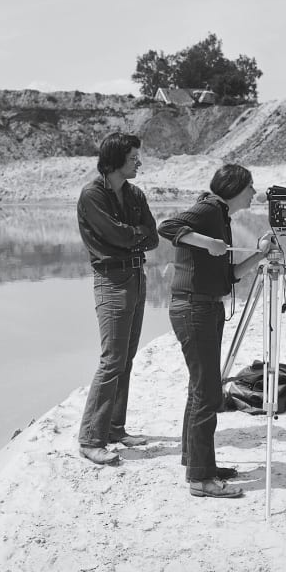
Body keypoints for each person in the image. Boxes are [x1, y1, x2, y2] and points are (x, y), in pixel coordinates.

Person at [158, 164, 273, 498]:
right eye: (250, 187)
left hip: (203, 306)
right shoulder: (209, 209)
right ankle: (200, 478)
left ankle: (198, 463)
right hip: (194, 308)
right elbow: (167, 226)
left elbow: (229, 276)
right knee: (207, 392)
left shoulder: (220, 215)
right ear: (236, 187)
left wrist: (260, 255)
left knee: (202, 388)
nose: (254, 193)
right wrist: (207, 241)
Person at [77, 132, 159, 465]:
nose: (139, 161)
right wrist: (131, 237)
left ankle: (114, 428)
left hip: (137, 277)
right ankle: (90, 439)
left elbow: (152, 236)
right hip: (111, 281)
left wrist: (131, 238)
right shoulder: (92, 196)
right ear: (115, 160)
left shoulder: (135, 194)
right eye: (134, 157)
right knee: (112, 359)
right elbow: (115, 235)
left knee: (126, 358)